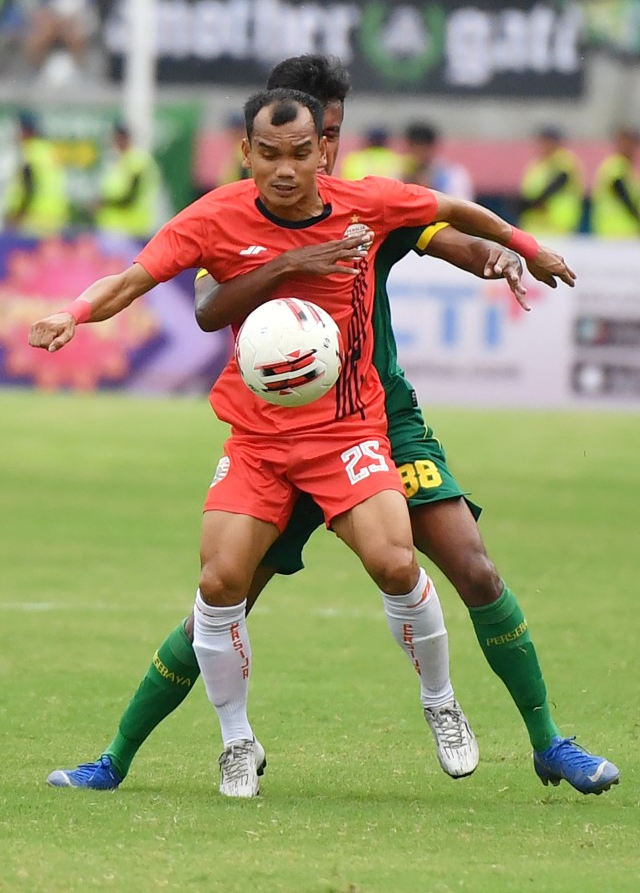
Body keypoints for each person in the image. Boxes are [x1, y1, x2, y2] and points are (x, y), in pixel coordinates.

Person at [39, 57, 617, 799]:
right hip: (272, 434)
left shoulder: (365, 203)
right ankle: (119, 757)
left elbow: (450, 235)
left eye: (326, 140)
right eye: (290, 145)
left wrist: (511, 253)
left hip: (374, 422)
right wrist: (289, 263)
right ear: (254, 145)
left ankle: (548, 742)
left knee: (469, 569)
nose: (313, 159)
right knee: (221, 598)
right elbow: (208, 307)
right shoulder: (229, 214)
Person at [2, 112, 69, 236]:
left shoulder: (30, 153)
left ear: (27, 131)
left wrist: (17, 215)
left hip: (32, 219)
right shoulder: (50, 151)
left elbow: (29, 187)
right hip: (54, 218)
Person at [94, 122, 161, 240]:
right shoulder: (121, 161)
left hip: (131, 229)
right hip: (116, 228)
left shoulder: (138, 161)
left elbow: (130, 197)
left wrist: (104, 202)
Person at [518, 126, 584, 235]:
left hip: (558, 227)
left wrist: (535, 203)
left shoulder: (564, 161)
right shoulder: (536, 165)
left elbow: (558, 183)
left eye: (545, 142)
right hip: (534, 226)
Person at [403, 122, 474, 201]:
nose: (418, 153)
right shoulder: (401, 172)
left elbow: (462, 203)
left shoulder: (452, 173)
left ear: (432, 147)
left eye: (423, 149)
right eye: (414, 148)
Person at [590, 126, 640, 237]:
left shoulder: (627, 168)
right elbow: (623, 194)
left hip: (623, 231)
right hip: (616, 232)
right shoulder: (616, 165)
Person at [341, 126, 405, 181]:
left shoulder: (353, 159)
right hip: (391, 194)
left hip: (360, 194)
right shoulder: (398, 160)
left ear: (368, 141)